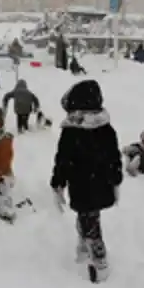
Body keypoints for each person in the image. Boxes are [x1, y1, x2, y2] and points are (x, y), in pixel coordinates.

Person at [50, 80, 122, 272]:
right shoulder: (106, 129)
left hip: (81, 183)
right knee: (90, 215)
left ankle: (97, 256)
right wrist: (115, 179)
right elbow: (114, 157)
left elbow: (63, 160)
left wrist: (58, 182)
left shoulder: (72, 131)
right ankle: (84, 245)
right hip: (101, 183)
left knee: (88, 216)